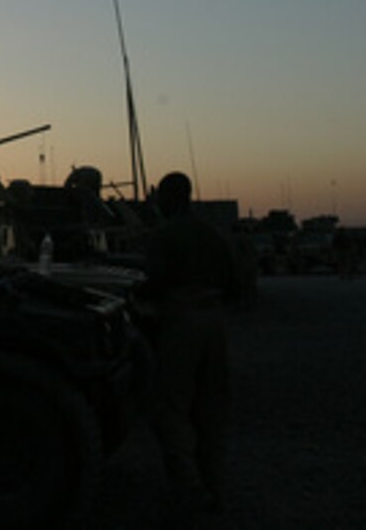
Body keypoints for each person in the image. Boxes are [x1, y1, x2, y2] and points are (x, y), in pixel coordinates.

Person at [141, 171, 236, 521]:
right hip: (215, 322)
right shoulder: (213, 234)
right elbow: (235, 282)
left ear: (168, 198)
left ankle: (189, 488)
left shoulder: (164, 235)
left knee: (172, 407)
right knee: (212, 408)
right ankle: (215, 486)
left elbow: (155, 281)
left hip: (181, 320)